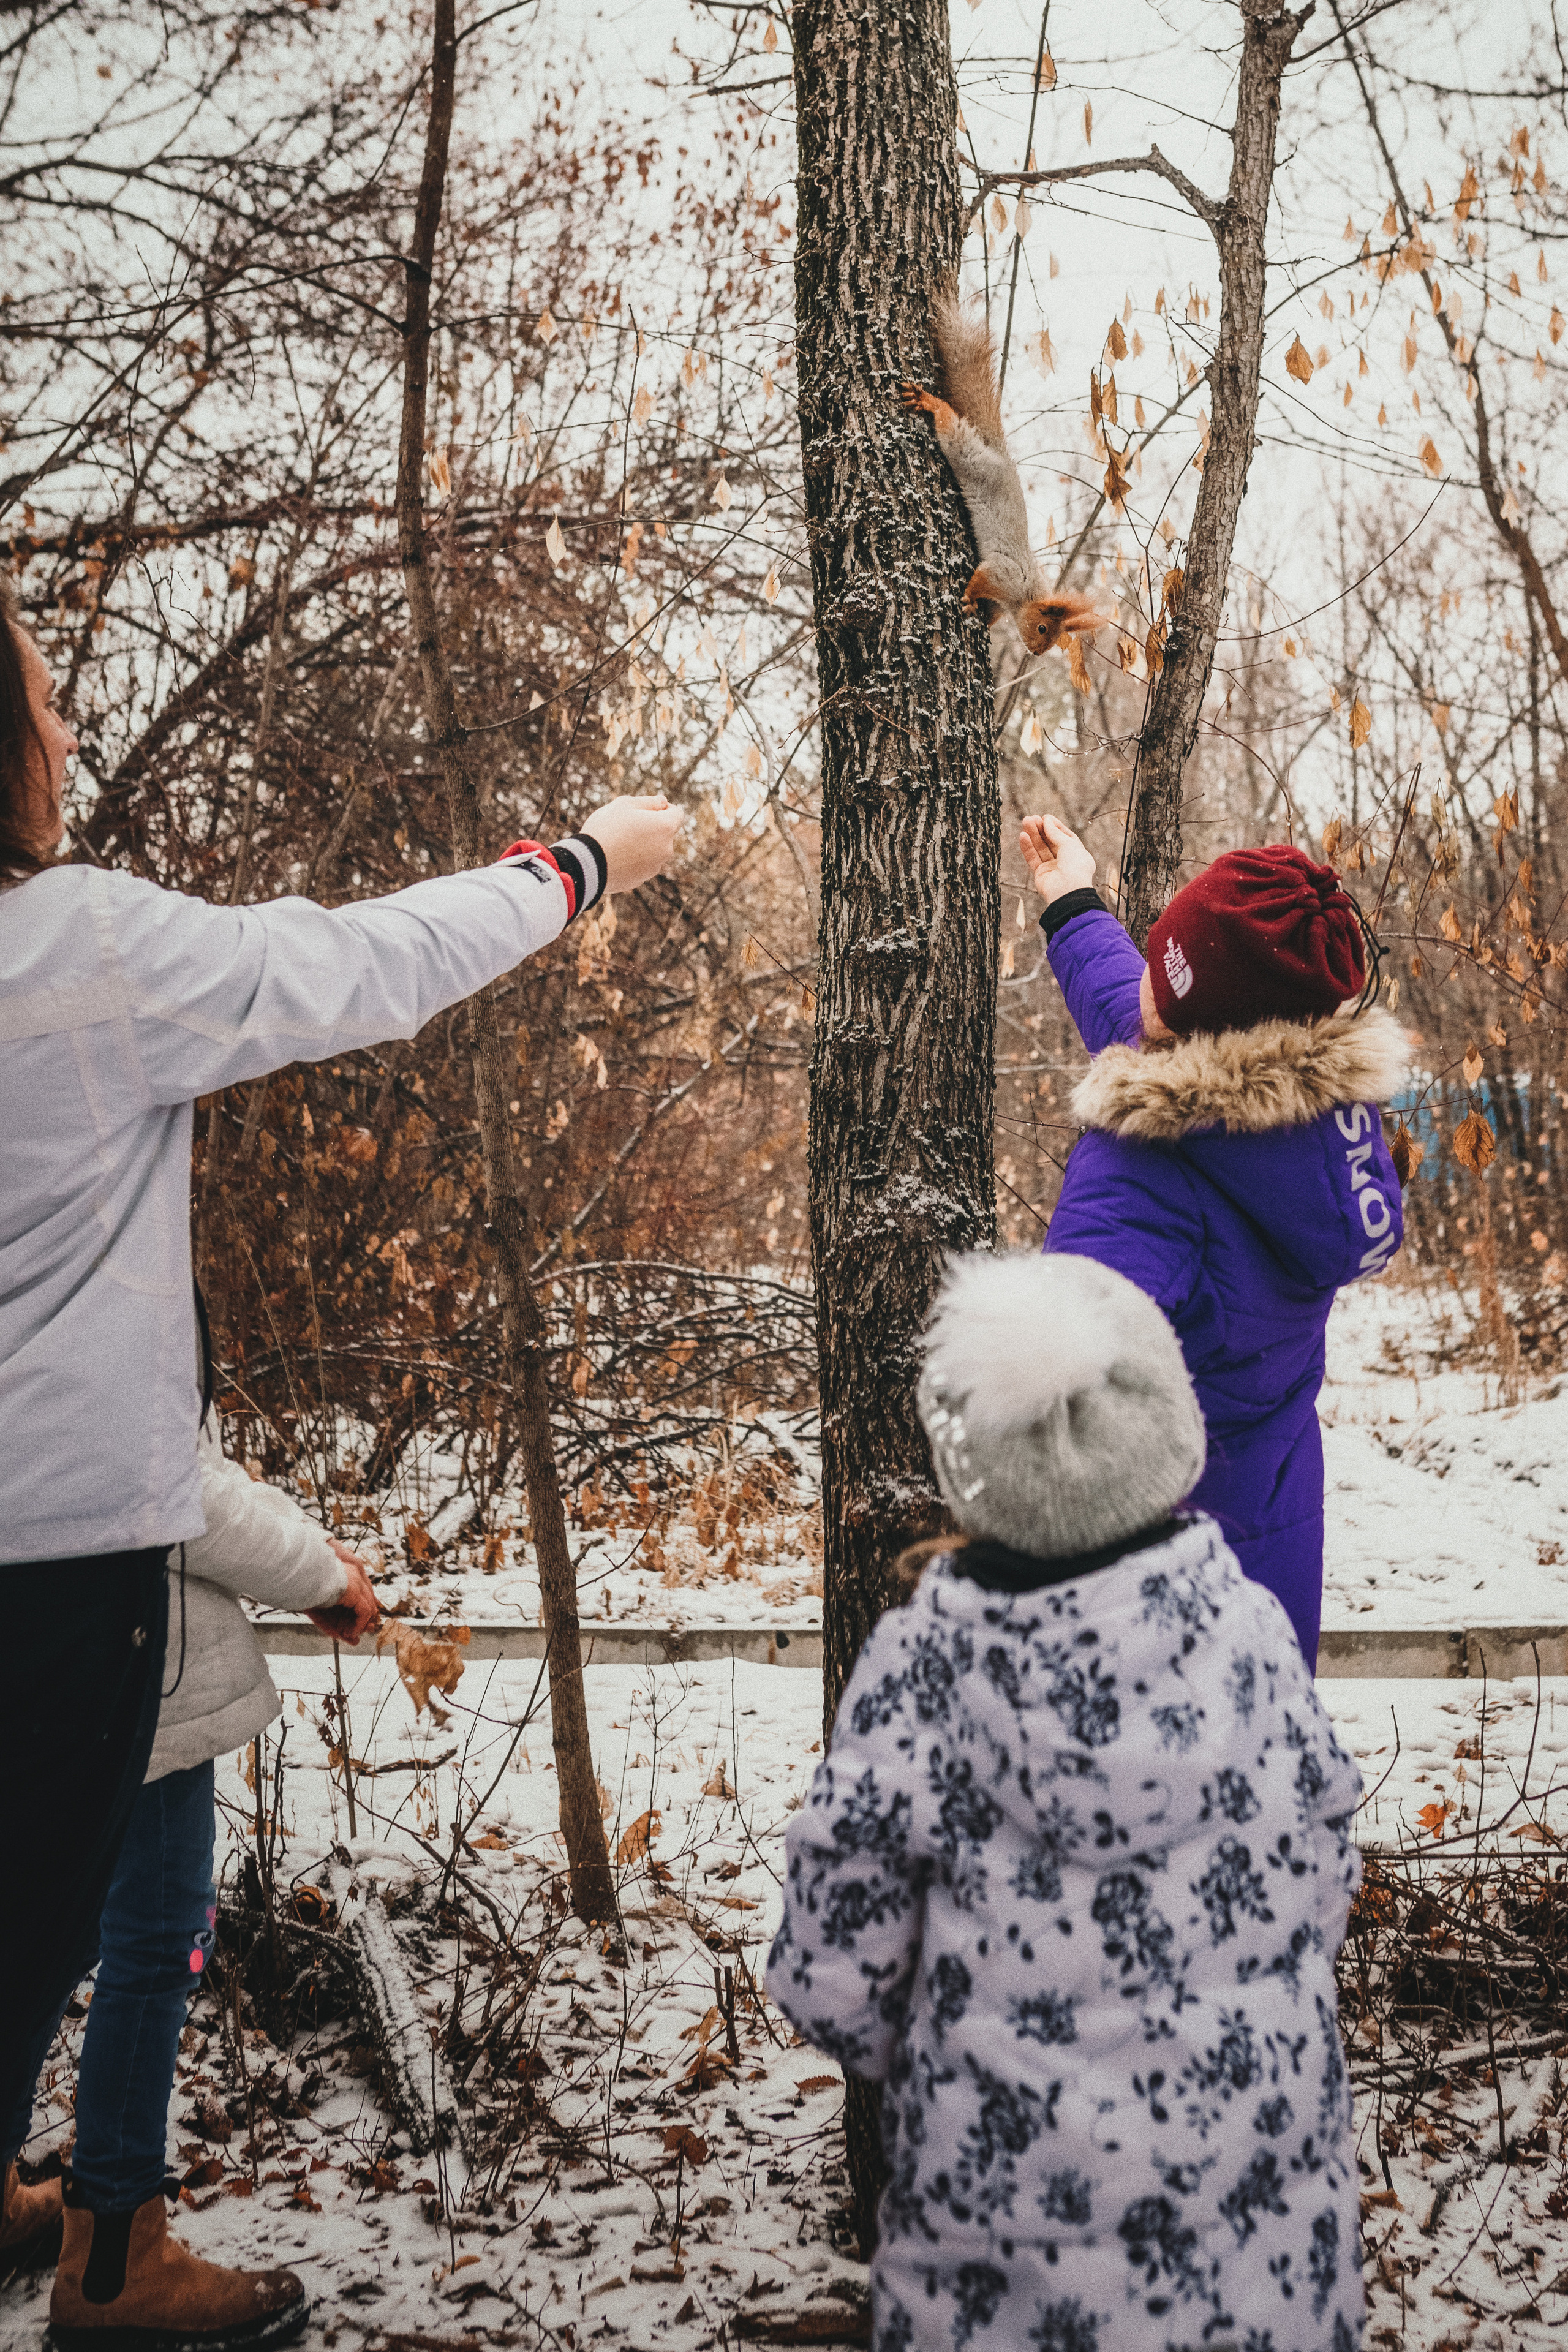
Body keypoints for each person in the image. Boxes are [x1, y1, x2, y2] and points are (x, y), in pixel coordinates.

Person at [0, 574, 683, 2339]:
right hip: (56, 1583)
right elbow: (369, 962)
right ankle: (108, 2259)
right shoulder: (73, 955)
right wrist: (582, 860)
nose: (68, 733)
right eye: (45, 705)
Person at [767, 1250, 1366, 2352]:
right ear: (1168, 1435)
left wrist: (962, 2042)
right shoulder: (1249, 1633)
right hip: (1265, 2268)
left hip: (1006, 2283)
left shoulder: (925, 1673)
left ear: (967, 1467)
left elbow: (830, 1975)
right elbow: (1326, 1872)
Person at [1019, 814, 1408, 1667]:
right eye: (1157, 951)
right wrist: (1071, 901)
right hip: (1264, 1560)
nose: (1149, 980)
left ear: (1206, 1030)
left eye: (1170, 967)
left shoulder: (1144, 1172)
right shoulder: (1305, 1134)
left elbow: (1050, 1416)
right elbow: (1136, 1011)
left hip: (1138, 1603)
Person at [47, 1408, 382, 2345]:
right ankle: (113, 2260)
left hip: (44, 1645)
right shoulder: (107, 1262)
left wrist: (309, 1548)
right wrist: (323, 1575)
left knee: (34, 1936)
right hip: (129, 1661)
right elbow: (175, 1486)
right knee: (156, 1949)